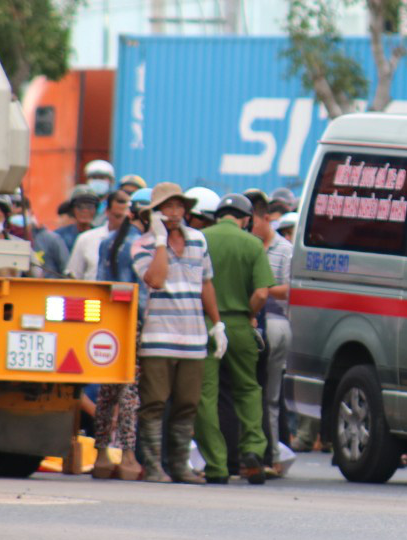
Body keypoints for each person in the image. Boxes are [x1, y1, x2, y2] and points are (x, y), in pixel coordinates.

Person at [132, 183, 225, 484]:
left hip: (194, 337)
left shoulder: (198, 240)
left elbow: (206, 283)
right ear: (154, 213)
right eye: (166, 208)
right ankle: (154, 465)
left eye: (178, 207)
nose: (173, 213)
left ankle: (180, 466)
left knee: (188, 404)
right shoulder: (142, 245)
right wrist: (160, 242)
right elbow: (156, 280)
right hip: (158, 338)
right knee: (154, 403)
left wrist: (217, 324)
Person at [194, 193, 275, 485]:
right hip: (240, 325)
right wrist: (249, 313)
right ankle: (253, 449)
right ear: (246, 219)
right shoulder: (252, 243)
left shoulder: (201, 238)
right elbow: (262, 293)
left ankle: (216, 464)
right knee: (248, 390)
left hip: (205, 325)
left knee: (206, 396)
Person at [91, 201, 146, 482]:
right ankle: (127, 455)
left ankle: (100, 455)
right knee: (129, 392)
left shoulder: (108, 241)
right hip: (136, 321)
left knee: (107, 391)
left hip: (109, 321)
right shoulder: (144, 244)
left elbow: (100, 282)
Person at [246, 189, 294, 469]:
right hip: (249, 321)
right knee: (249, 393)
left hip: (274, 322)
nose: (251, 227)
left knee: (270, 397)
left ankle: (272, 454)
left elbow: (290, 290)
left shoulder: (284, 250)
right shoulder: (247, 245)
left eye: (253, 221)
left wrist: (261, 289)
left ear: (266, 218)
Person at [65, 190, 131, 280]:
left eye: (125, 218)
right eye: (117, 216)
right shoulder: (86, 239)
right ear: (107, 212)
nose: (122, 222)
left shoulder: (133, 241)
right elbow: (74, 275)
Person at [55, 187, 100, 253]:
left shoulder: (101, 236)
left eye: (90, 207)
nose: (85, 210)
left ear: (96, 210)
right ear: (72, 210)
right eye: (80, 207)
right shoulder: (59, 237)